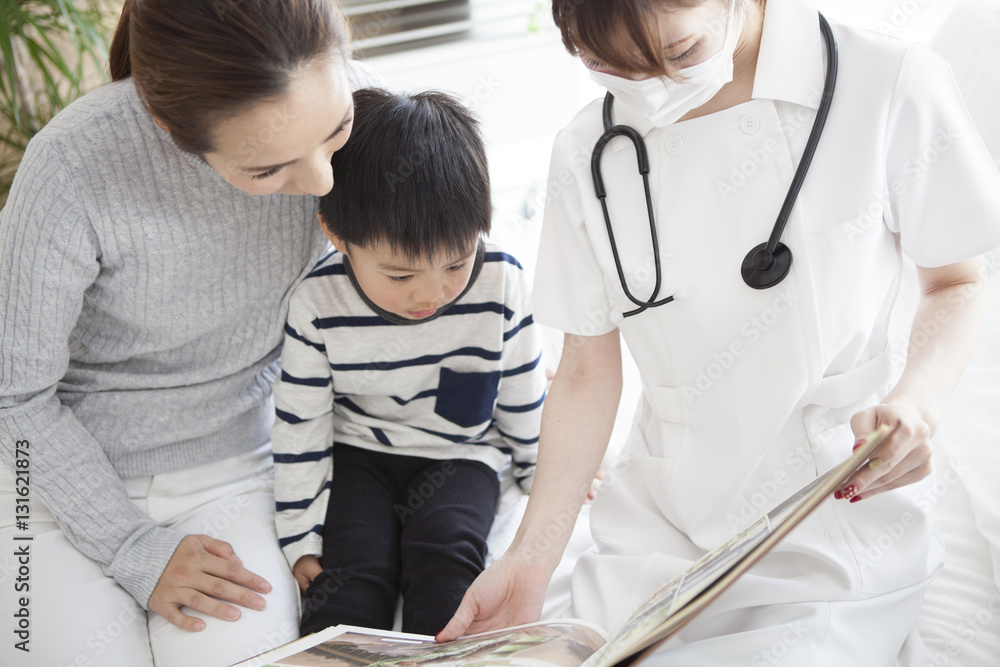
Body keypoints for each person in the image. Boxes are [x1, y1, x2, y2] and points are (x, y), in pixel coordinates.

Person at [439, 0, 1000, 664]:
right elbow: (589, 369)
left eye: (678, 54)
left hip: (828, 523)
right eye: (603, 65)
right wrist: (530, 558)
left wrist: (918, 400)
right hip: (658, 524)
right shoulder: (586, 150)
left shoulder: (887, 83)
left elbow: (956, 281)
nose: (647, 90)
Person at [0, 1, 381, 665]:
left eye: (336, 129)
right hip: (56, 477)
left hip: (232, 465)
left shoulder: (355, 111)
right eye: (269, 170)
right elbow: (13, 395)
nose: (322, 181)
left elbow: (440, 262)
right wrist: (131, 548)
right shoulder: (70, 165)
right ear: (167, 127)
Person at [271, 88, 545, 637]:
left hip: (459, 453)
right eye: (400, 276)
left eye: (456, 262)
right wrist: (300, 536)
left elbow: (521, 388)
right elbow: (300, 424)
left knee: (448, 556)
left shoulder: (502, 281)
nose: (433, 293)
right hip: (359, 451)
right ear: (337, 235)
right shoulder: (317, 302)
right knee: (352, 569)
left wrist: (541, 472)